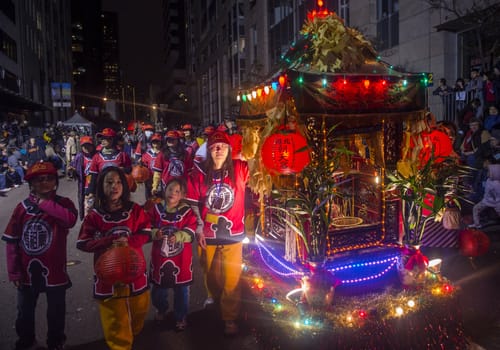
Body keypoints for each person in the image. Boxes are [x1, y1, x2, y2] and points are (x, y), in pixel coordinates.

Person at [2, 161, 77, 350]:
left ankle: (55, 342)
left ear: (55, 181)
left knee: (56, 311)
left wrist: (44, 204)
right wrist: (13, 272)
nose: (44, 183)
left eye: (49, 179)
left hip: (54, 270)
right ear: (32, 183)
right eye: (39, 180)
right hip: (26, 272)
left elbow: (69, 220)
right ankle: (27, 342)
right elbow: (12, 240)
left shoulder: (63, 204)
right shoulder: (22, 208)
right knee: (25, 311)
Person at [76, 166, 151, 350]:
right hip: (108, 275)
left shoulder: (134, 210)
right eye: (109, 182)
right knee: (114, 316)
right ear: (101, 186)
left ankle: (133, 333)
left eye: (118, 182)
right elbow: (83, 242)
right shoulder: (94, 216)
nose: (114, 186)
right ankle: (120, 346)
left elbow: (146, 232)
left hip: (135, 271)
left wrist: (130, 242)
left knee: (139, 308)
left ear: (124, 186)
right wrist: (108, 241)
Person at [186, 131, 249, 335]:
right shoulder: (199, 175)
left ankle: (229, 317)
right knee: (210, 275)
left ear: (230, 149)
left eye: (223, 146)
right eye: (214, 147)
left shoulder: (239, 169)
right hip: (208, 234)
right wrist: (197, 225)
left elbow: (257, 163)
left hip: (233, 233)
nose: (219, 149)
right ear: (209, 151)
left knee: (232, 278)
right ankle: (214, 299)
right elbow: (194, 203)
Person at [146, 178, 197, 331]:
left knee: (182, 291)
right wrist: (155, 233)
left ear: (182, 195)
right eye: (170, 189)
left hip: (181, 260)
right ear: (164, 190)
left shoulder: (187, 212)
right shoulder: (156, 209)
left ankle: (180, 316)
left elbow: (192, 229)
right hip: (160, 258)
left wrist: (181, 235)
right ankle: (161, 308)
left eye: (177, 191)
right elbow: (147, 226)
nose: (172, 193)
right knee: (158, 291)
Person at [151, 130, 192, 196]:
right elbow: (157, 173)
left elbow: (190, 172)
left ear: (178, 140)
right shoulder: (162, 154)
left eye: (172, 139)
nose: (170, 141)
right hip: (167, 187)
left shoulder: (185, 154)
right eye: (168, 139)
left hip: (182, 187)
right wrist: (155, 187)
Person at [70, 135, 96, 219]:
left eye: (88, 145)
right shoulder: (79, 156)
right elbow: (72, 170)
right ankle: (88, 223)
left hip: (96, 185)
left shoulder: (97, 156)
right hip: (85, 187)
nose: (86, 148)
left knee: (97, 207)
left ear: (92, 145)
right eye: (84, 146)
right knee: (87, 208)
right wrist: (71, 171)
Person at [468, 164, 500, 228]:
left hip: (497, 203)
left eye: (489, 172)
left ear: (494, 173)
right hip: (486, 201)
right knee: (475, 209)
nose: (487, 173)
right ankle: (477, 224)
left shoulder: (497, 184)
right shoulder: (488, 180)